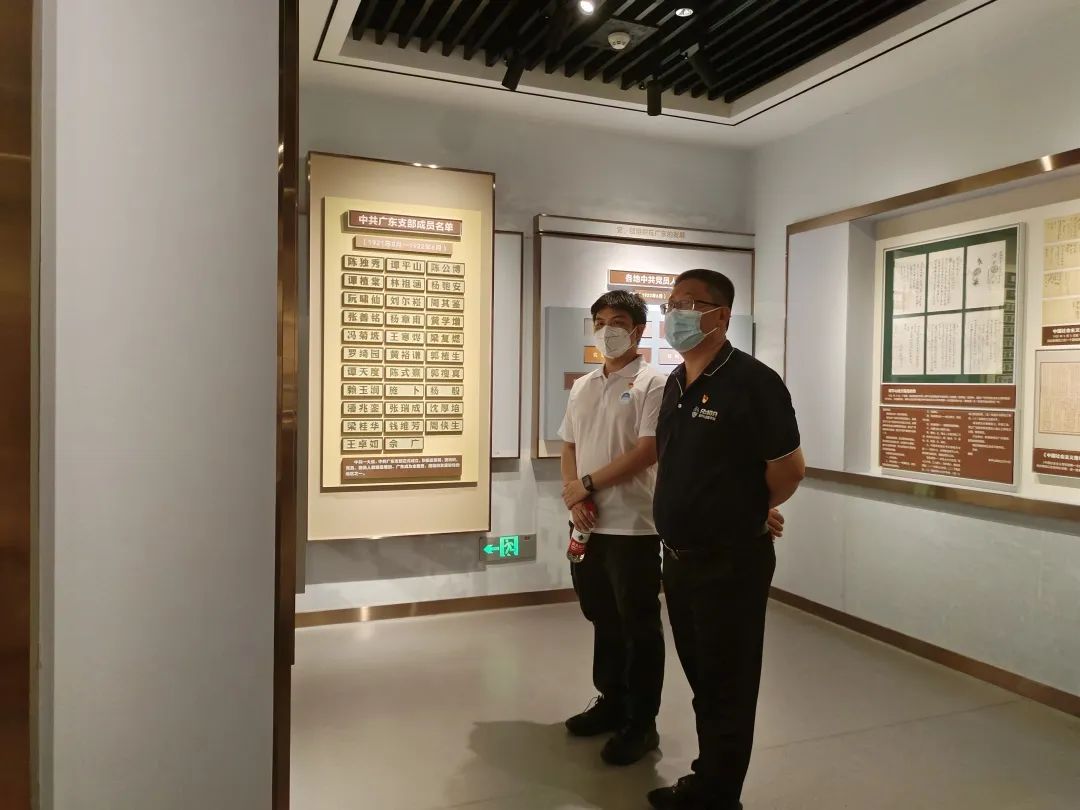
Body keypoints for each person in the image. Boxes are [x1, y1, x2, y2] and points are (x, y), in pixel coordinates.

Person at [647, 269, 805, 810]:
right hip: (678, 559)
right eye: (671, 304)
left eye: (690, 304)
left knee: (728, 685)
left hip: (730, 562)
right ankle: (708, 777)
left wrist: (750, 510)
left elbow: (789, 470)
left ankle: (718, 795)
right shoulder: (675, 381)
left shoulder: (754, 383)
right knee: (702, 677)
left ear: (721, 315)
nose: (676, 314)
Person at [558, 290, 668, 766]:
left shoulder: (654, 383)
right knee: (603, 618)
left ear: (639, 330)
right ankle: (612, 702)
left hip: (633, 527)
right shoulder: (584, 385)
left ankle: (641, 723)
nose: (607, 330)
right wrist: (575, 493)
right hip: (588, 524)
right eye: (600, 321)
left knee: (638, 627)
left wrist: (586, 485)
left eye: (618, 321)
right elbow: (568, 444)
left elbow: (647, 452)